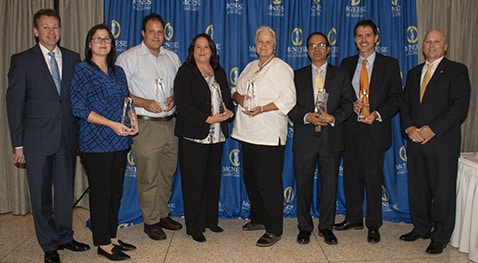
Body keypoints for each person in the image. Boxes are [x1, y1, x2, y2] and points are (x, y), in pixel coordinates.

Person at [6, 8, 90, 263]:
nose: (51, 32)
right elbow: (14, 104)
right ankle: (49, 243)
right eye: (46, 27)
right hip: (36, 140)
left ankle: (65, 237)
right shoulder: (22, 60)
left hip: (66, 137)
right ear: (35, 31)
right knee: (41, 194)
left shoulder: (74, 58)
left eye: (55, 27)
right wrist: (18, 144)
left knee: (65, 192)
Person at [399, 29, 471, 254]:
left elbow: (459, 107)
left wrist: (432, 129)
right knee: (418, 189)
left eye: (436, 42)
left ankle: (440, 236)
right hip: (415, 141)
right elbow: (405, 106)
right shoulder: (413, 73)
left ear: (445, 46)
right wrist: (410, 127)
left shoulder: (457, 71)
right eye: (428, 42)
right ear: (422, 46)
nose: (431, 45)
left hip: (441, 143)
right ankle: (421, 227)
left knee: (442, 193)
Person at [71, 24, 138, 261]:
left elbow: (126, 101)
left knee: (115, 192)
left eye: (107, 39)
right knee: (101, 193)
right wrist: (111, 124)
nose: (102, 42)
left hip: (119, 141)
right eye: (97, 39)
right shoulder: (82, 70)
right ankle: (102, 243)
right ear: (90, 43)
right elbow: (78, 108)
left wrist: (133, 120)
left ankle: (112, 236)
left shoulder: (117, 71)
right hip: (95, 142)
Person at [334, 19, 402, 243]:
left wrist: (377, 113)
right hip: (350, 128)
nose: (364, 40)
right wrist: (350, 103)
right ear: (354, 39)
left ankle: (374, 224)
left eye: (368, 35)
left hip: (375, 128)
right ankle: (354, 218)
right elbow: (340, 95)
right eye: (359, 36)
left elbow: (396, 98)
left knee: (372, 178)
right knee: (351, 177)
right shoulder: (346, 63)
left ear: (376, 37)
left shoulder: (390, 64)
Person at [116, 13, 182, 241]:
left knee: (167, 174)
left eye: (160, 32)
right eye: (151, 31)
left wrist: (174, 97)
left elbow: (179, 87)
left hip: (170, 124)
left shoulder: (172, 58)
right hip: (145, 125)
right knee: (148, 176)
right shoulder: (129, 58)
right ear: (143, 33)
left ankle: (163, 214)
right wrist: (144, 103)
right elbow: (119, 91)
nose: (156, 36)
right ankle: (150, 221)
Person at [231, 25, 296, 247]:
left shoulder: (282, 68)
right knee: (251, 180)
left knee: (268, 183)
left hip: (268, 136)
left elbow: (288, 99)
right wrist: (239, 98)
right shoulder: (250, 67)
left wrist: (261, 108)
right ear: (255, 44)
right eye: (260, 41)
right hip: (247, 133)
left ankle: (274, 228)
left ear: (275, 45)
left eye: (268, 42)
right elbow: (235, 91)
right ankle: (258, 218)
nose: (264, 45)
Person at [289, 32, 354, 246]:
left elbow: (348, 103)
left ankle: (326, 227)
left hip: (331, 138)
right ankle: (304, 227)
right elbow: (289, 106)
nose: (316, 49)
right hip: (305, 138)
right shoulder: (296, 76)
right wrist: (307, 116)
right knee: (304, 185)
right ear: (306, 50)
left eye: (321, 45)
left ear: (328, 49)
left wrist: (333, 117)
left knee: (329, 186)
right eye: (312, 45)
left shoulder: (341, 75)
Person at [174, 33, 234, 243]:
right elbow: (183, 105)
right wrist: (206, 118)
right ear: (192, 51)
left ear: (212, 50)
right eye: (198, 47)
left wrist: (230, 112)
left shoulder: (219, 71)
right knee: (194, 183)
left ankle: (211, 220)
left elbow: (227, 98)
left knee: (212, 180)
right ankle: (195, 226)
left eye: (206, 47)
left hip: (216, 136)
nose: (202, 51)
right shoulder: (185, 72)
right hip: (194, 135)